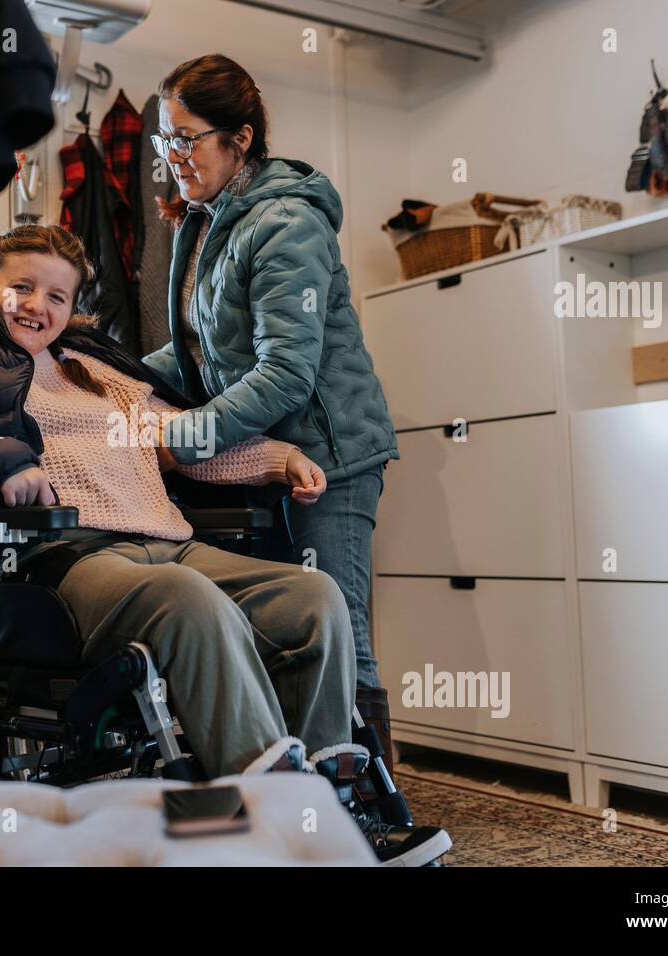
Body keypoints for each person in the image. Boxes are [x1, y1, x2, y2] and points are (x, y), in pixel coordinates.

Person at [0, 225, 449, 863]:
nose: (39, 305)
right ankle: (275, 821)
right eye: (22, 287)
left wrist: (276, 458)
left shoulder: (98, 370)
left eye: (57, 297)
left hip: (166, 542)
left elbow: (182, 440)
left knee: (313, 597)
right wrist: (3, 457)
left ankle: (337, 807)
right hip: (56, 560)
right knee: (185, 598)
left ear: (72, 310)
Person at [142, 54, 400, 773]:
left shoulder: (286, 223)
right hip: (264, 456)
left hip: (331, 454)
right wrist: (107, 375)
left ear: (241, 139)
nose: (174, 156)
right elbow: (198, 355)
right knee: (289, 631)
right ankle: (304, 800)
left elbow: (286, 371)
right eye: (167, 140)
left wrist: (184, 437)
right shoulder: (208, 223)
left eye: (187, 138)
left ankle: (368, 815)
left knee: (340, 634)